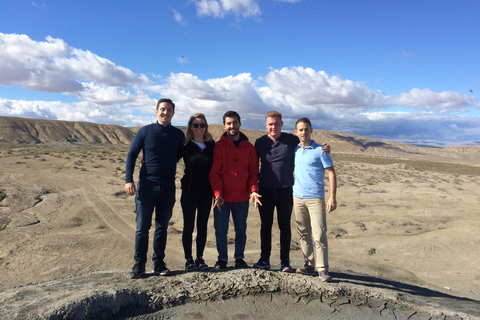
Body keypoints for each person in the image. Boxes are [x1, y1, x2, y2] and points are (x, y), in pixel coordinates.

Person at [253, 111, 330, 272]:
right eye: (270, 124)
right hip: (265, 190)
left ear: (281, 124)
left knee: (284, 226)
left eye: (276, 123)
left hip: (286, 190)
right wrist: (253, 190)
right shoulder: (259, 142)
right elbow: (253, 167)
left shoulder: (291, 139)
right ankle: (264, 259)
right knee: (265, 226)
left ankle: (284, 261)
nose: (273, 127)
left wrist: (325, 147)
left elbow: (308, 142)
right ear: (266, 125)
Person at [125, 98, 185, 279]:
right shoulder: (145, 131)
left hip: (167, 187)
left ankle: (158, 263)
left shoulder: (178, 135)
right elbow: (132, 155)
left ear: (173, 113)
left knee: (162, 227)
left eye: (168, 110)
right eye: (162, 109)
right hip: (146, 186)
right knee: (142, 227)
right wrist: (129, 180)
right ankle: (139, 264)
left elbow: (180, 155)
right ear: (156, 111)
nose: (165, 113)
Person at [209, 110, 262, 269]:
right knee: (220, 230)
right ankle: (222, 259)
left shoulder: (249, 148)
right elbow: (215, 173)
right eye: (229, 123)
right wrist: (218, 194)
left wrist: (253, 190)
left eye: (235, 122)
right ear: (224, 125)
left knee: (241, 230)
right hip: (222, 199)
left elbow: (253, 172)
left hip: (241, 198)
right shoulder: (219, 147)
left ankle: (239, 258)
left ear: (240, 123)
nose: (232, 126)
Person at [292, 117, 337, 282]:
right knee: (303, 232)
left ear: (311, 131)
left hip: (315, 198)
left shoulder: (320, 150)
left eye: (306, 129)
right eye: (300, 130)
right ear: (296, 132)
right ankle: (309, 264)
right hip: (297, 198)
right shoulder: (295, 149)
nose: (303, 132)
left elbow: (331, 172)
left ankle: (322, 268)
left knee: (319, 234)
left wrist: (332, 196)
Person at [178, 113, 215, 271]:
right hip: (189, 192)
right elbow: (168, 158)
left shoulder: (212, 145)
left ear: (206, 127)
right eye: (195, 125)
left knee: (203, 226)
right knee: (188, 226)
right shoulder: (185, 146)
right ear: (190, 127)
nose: (199, 128)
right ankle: (188, 260)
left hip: (207, 193)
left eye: (202, 125)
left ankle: (200, 258)